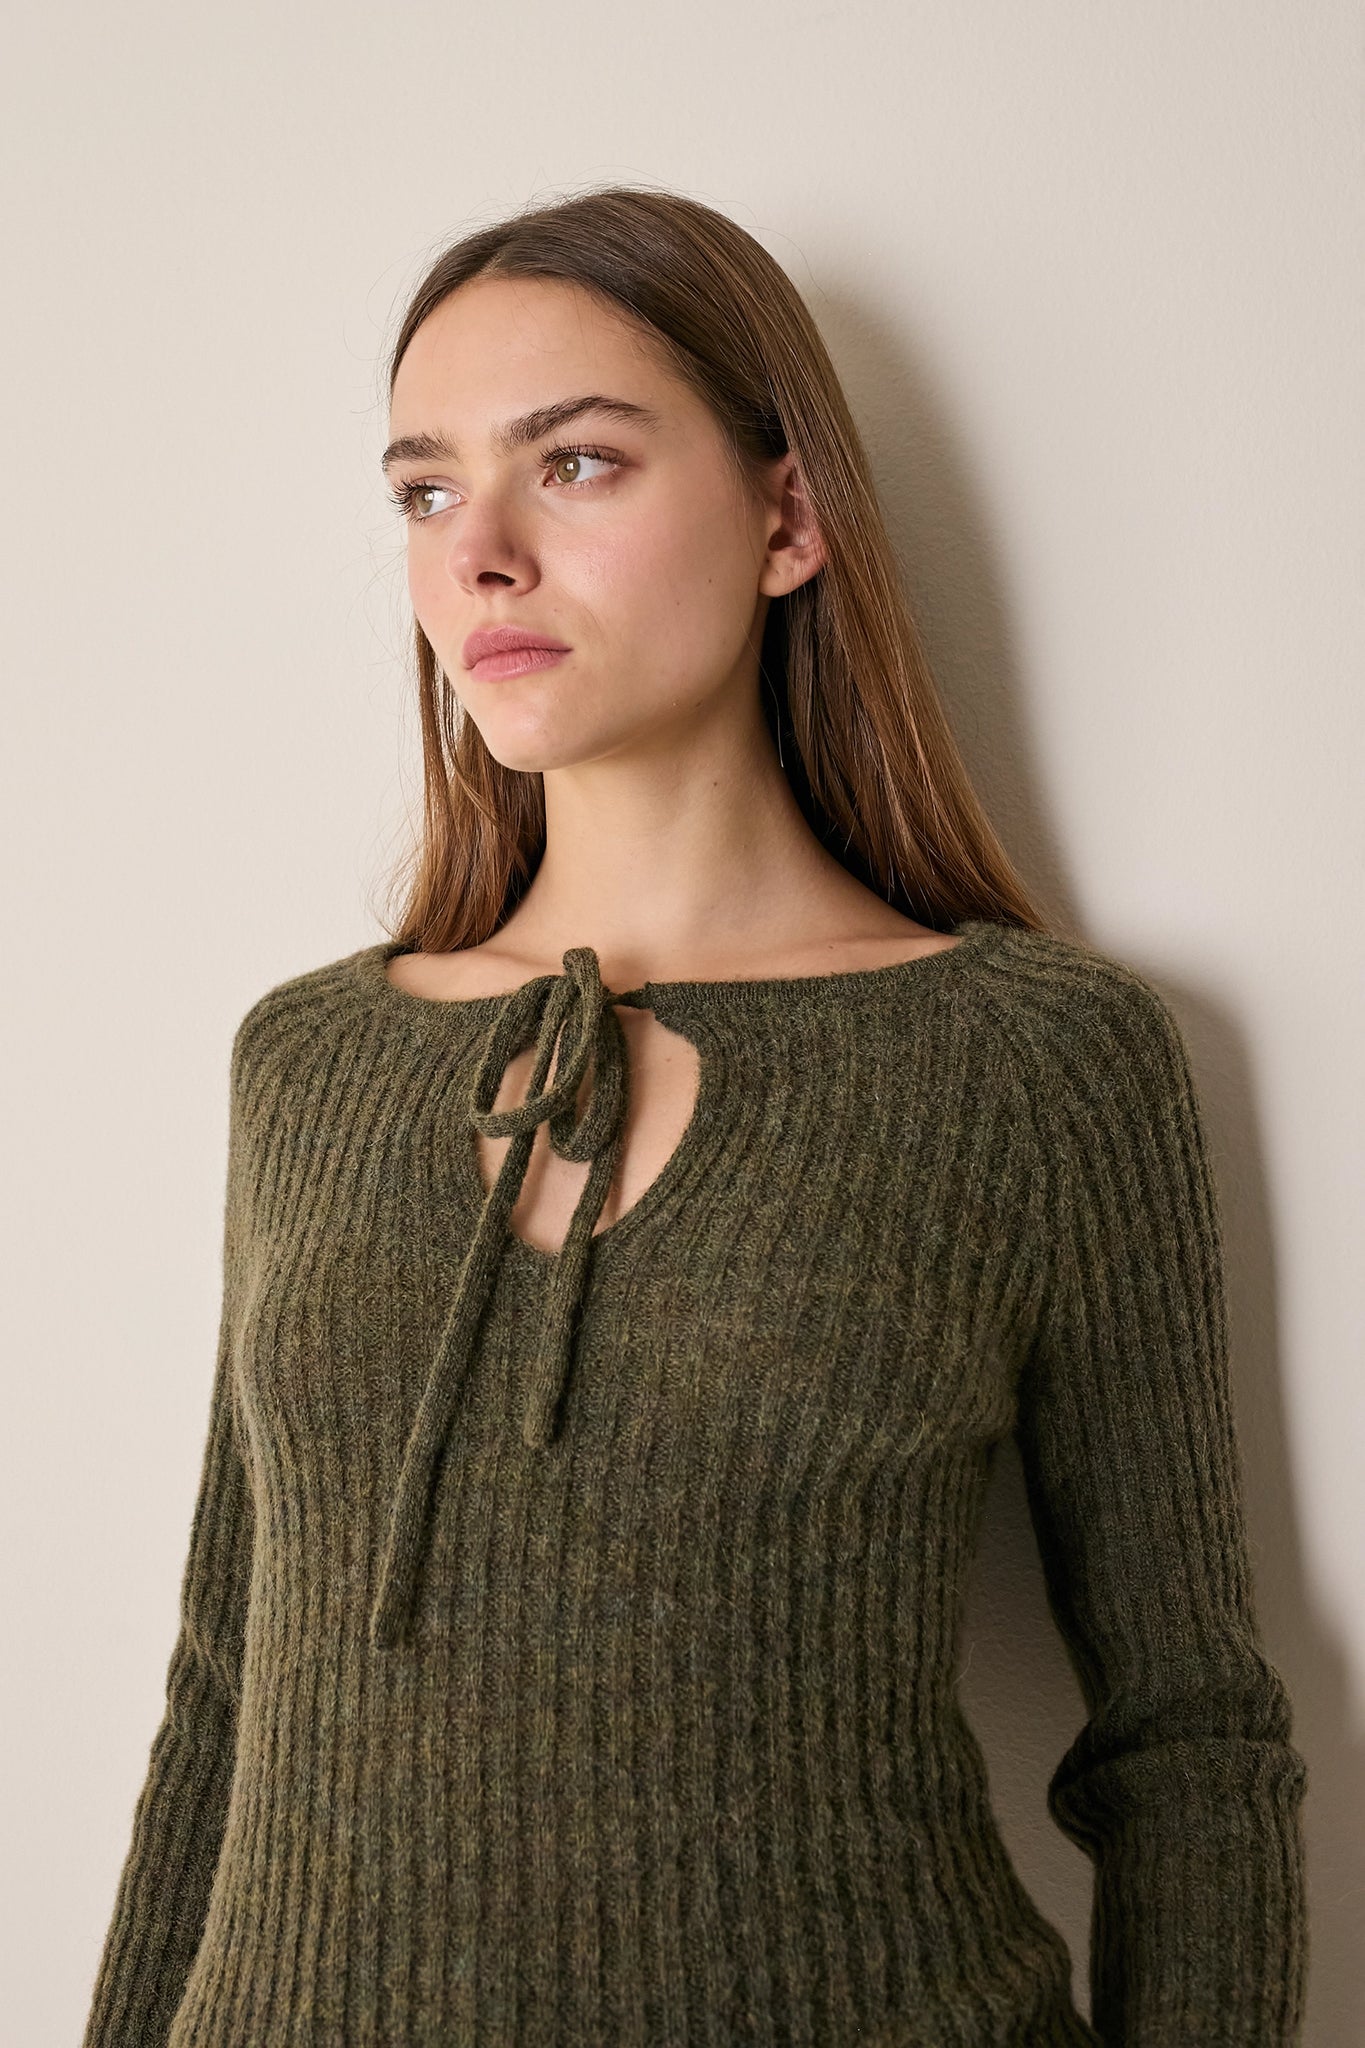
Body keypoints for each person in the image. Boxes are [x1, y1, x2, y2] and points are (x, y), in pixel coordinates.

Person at [81, 185, 1308, 2047]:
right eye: (424, 492)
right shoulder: (310, 1061)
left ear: (787, 519)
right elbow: (225, 1692)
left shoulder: (1031, 1063)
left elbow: (1188, 1740)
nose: (480, 555)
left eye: (572, 464)